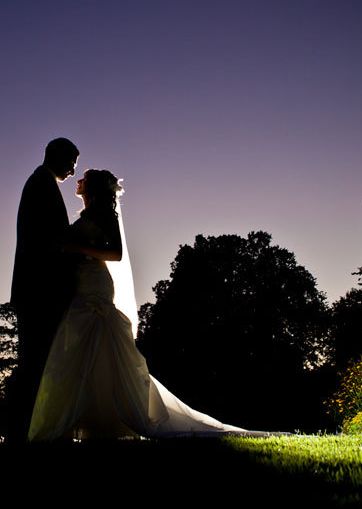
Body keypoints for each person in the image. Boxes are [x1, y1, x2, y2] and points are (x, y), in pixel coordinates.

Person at [28, 169, 273, 440]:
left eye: (84, 178)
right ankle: (87, 418)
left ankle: (112, 416)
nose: (79, 181)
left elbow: (116, 253)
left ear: (94, 188)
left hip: (96, 283)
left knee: (96, 339)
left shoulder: (106, 215)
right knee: (82, 345)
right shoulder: (86, 216)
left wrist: (76, 249)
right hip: (80, 283)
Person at [10, 137, 80, 439]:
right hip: (39, 289)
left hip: (36, 288)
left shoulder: (41, 182)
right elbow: (48, 240)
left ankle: (34, 429)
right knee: (35, 361)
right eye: (72, 163)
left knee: (37, 359)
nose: (74, 171)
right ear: (58, 157)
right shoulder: (41, 184)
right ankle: (25, 430)